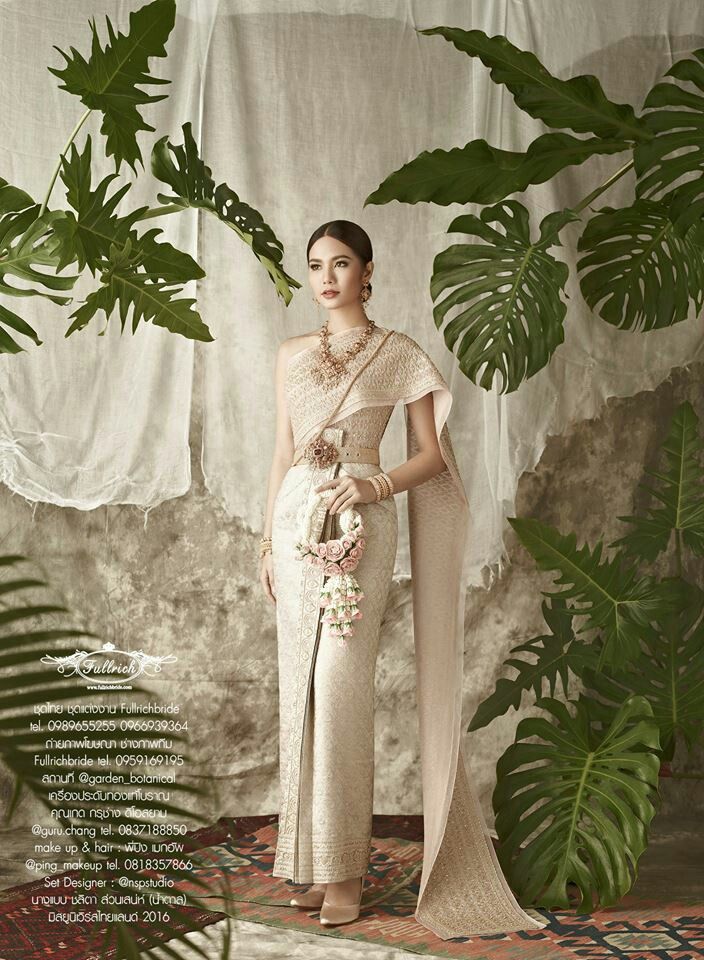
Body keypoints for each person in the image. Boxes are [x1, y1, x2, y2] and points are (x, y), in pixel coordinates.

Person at [258, 220, 547, 938]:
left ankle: (346, 872)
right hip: (297, 522)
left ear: (368, 270)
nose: (327, 277)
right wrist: (266, 541)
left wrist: (373, 486)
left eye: (342, 263)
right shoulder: (291, 353)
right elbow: (283, 450)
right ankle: (309, 863)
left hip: (361, 517)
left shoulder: (399, 355)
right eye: (317, 265)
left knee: (341, 691)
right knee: (301, 690)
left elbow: (431, 458)